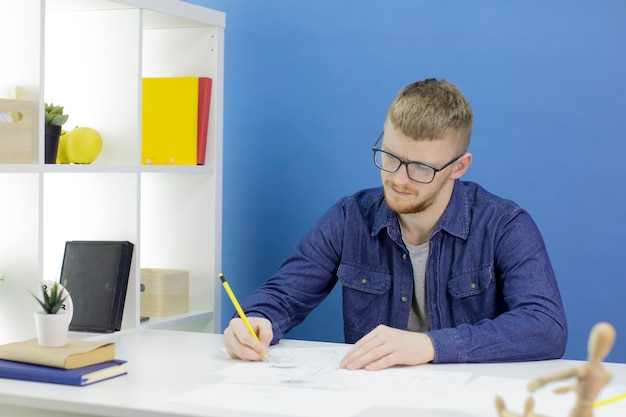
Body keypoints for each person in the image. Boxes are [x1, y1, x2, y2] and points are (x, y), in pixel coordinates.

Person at [224, 78, 567, 371]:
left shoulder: (504, 225)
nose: (398, 178)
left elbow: (545, 326)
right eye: (389, 156)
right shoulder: (349, 218)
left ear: (459, 167)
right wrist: (256, 320)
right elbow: (283, 294)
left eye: (420, 167)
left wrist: (430, 346)